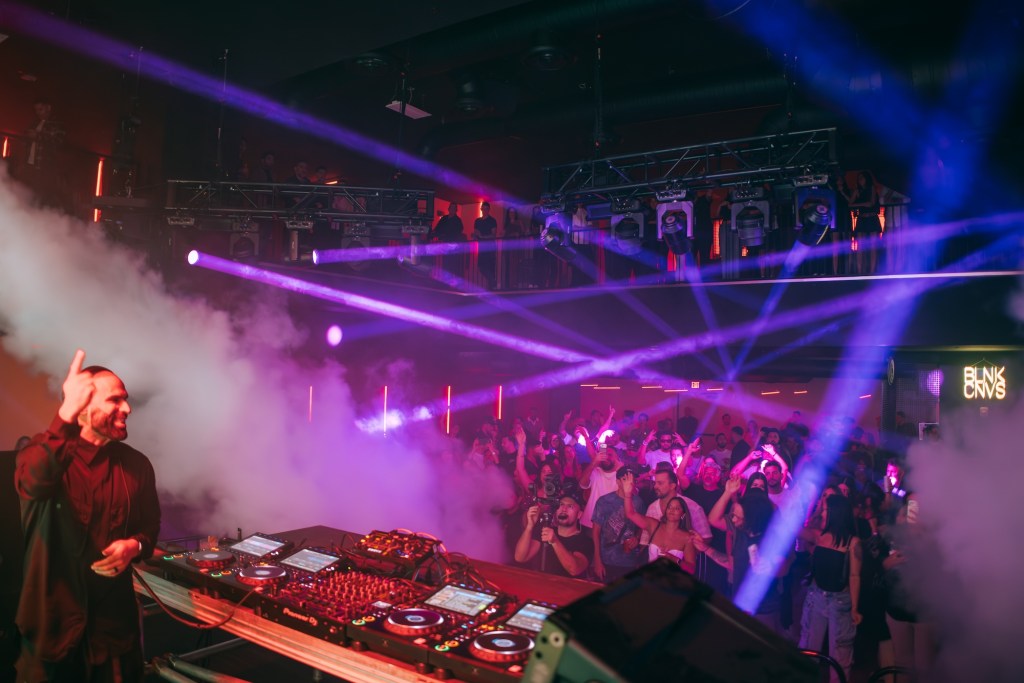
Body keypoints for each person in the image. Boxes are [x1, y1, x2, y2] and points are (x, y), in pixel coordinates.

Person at [14, 350, 160, 683]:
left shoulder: (136, 465)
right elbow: (34, 481)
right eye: (116, 400)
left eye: (126, 400)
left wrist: (134, 546)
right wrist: (66, 411)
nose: (127, 408)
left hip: (113, 638)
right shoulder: (38, 453)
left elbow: (150, 526)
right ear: (83, 408)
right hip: (51, 637)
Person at [798, 494, 862, 683]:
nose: (823, 512)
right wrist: (817, 508)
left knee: (840, 655)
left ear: (835, 513)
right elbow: (796, 530)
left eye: (826, 509)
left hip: (840, 601)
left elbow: (854, 576)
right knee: (809, 649)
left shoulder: (853, 543)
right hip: (815, 596)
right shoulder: (818, 535)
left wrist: (855, 608)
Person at [621, 473, 696, 572]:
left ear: (683, 514)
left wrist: (675, 559)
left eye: (676, 508)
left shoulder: (687, 538)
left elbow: (691, 569)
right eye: (669, 507)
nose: (672, 510)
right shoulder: (654, 525)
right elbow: (630, 514)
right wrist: (627, 494)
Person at [513, 491, 592, 578]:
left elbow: (574, 569)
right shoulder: (545, 530)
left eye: (570, 506)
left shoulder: (585, 541)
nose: (564, 509)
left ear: (579, 514)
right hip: (542, 588)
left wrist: (555, 542)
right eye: (561, 504)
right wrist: (529, 526)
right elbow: (520, 557)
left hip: (567, 590)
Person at [590, 466, 646, 583]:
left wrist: (636, 537)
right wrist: (597, 560)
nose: (630, 482)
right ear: (618, 482)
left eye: (633, 480)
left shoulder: (638, 502)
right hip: (607, 559)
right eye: (626, 479)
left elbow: (642, 527)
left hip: (628, 560)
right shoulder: (604, 501)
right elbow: (595, 532)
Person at [21, 99, 67, 209]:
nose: (38, 112)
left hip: (45, 167)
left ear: (48, 108)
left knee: (43, 195)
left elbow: (58, 141)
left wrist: (37, 136)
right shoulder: (35, 122)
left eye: (40, 109)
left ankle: (41, 216)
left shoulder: (57, 123)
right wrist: (27, 137)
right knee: (29, 192)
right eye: (36, 110)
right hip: (31, 165)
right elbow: (25, 138)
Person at [472, 201, 498, 289]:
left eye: (487, 209)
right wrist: (474, 236)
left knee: (490, 266)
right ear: (481, 209)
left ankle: (491, 286)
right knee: (481, 266)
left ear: (489, 210)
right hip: (481, 247)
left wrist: (482, 236)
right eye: (483, 208)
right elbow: (475, 233)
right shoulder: (477, 221)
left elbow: (493, 234)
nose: (485, 210)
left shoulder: (492, 220)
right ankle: (492, 282)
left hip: (490, 247)